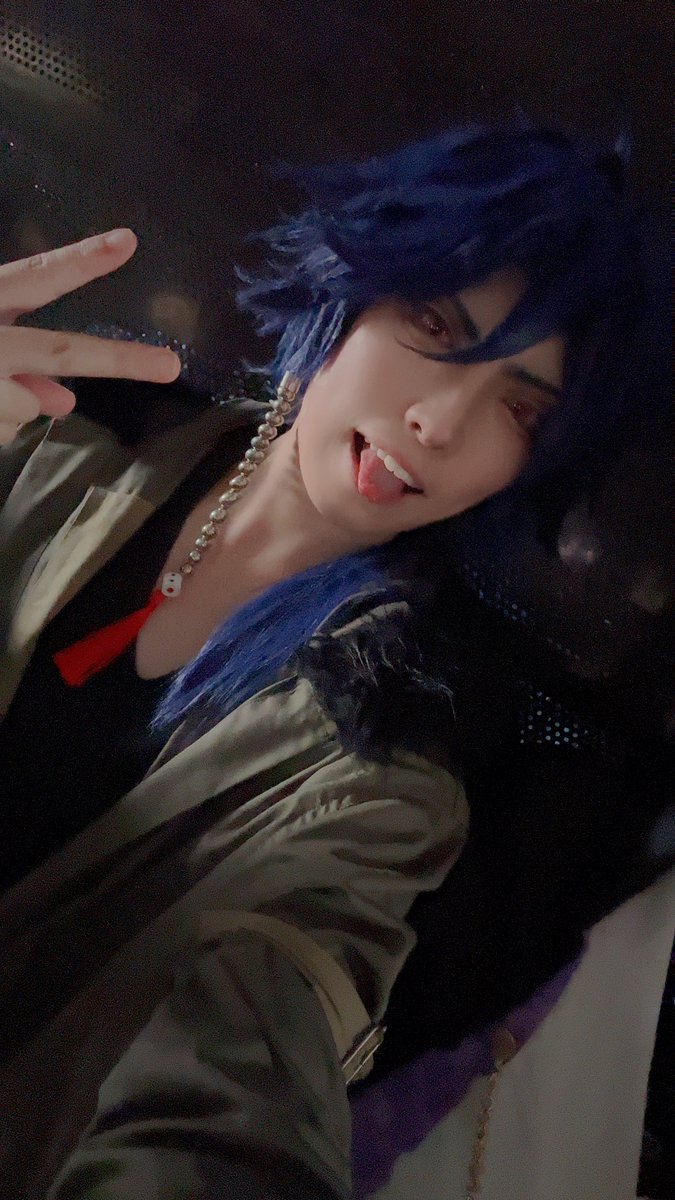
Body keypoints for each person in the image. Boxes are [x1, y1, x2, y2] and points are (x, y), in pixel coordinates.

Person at [0, 122, 671, 1199]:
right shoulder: (50, 451)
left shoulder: (383, 778)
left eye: (519, 409)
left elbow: (252, 1049)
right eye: (434, 325)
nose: (439, 422)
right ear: (350, 292)